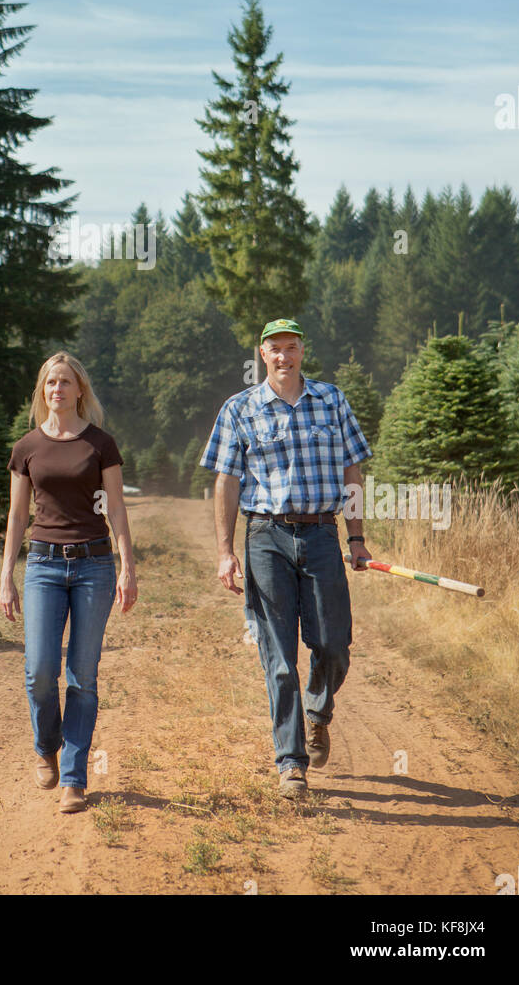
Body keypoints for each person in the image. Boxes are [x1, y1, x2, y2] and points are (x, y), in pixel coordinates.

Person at [201, 318, 372, 799]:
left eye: (291, 348)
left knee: (333, 644)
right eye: (274, 349)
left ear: (302, 351)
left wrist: (357, 536)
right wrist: (224, 551)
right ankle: (290, 763)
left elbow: (352, 468)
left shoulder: (331, 399)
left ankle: (318, 714)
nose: (283, 357)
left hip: (321, 534)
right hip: (266, 537)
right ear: (262, 353)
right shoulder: (240, 408)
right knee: (278, 656)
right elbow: (227, 481)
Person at [0, 351, 138, 813]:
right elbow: (17, 515)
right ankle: (46, 745)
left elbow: (116, 508)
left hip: (94, 566)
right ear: (43, 391)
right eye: (50, 383)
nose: (57, 389)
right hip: (42, 566)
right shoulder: (26, 447)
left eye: (65, 382)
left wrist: (127, 567)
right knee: (40, 671)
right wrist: (6, 577)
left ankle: (74, 778)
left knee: (82, 675)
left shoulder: (101, 444)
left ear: (80, 390)